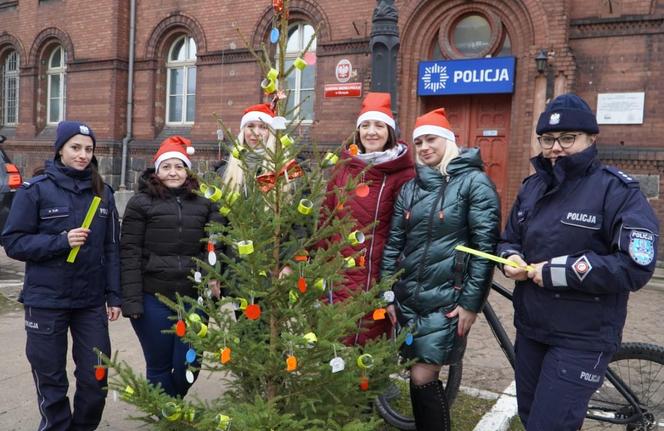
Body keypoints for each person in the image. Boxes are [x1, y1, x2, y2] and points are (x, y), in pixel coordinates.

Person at [497, 93, 659, 430]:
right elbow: (509, 238)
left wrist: (560, 272)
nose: (556, 148)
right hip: (531, 328)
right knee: (530, 418)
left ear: (591, 138)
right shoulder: (532, 188)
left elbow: (635, 266)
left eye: (568, 138)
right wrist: (509, 257)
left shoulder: (617, 191)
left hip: (582, 336)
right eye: (548, 139)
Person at [381, 108, 500, 429]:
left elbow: (484, 249)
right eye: (418, 142)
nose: (423, 148)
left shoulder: (475, 184)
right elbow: (393, 244)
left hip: (448, 300)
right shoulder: (411, 188)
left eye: (430, 139)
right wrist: (388, 294)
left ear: (449, 141)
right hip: (408, 298)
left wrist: (470, 303)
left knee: (423, 375)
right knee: (416, 374)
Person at [1, 121, 121, 431]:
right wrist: (60, 241)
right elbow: (13, 242)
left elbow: (111, 250)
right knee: (51, 378)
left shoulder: (103, 194)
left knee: (96, 377)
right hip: (46, 300)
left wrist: (115, 296)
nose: (82, 155)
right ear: (60, 149)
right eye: (75, 147)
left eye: (88, 149)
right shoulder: (35, 190)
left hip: (90, 301)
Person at [120, 136, 220, 398]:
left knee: (189, 362)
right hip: (153, 295)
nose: (173, 172)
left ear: (187, 170)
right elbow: (129, 253)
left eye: (179, 166)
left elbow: (215, 243)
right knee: (159, 364)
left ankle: (170, 405)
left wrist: (213, 276)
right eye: (166, 166)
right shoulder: (140, 203)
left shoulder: (204, 203)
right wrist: (131, 301)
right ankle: (169, 416)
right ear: (157, 170)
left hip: (193, 296)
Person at [321, 92, 415, 345]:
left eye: (378, 125)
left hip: (379, 275)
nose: (371, 132)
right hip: (339, 275)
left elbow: (406, 231)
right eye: (365, 125)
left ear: (390, 132)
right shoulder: (342, 169)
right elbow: (324, 220)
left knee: (370, 348)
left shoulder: (404, 174)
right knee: (336, 345)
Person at [218, 103, 277, 190]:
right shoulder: (223, 171)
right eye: (250, 126)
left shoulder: (287, 169)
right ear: (243, 131)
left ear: (270, 133)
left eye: (263, 127)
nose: (256, 133)